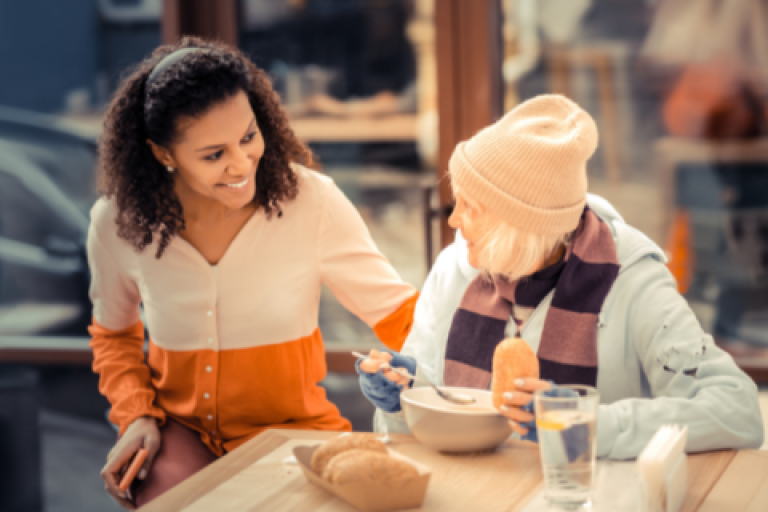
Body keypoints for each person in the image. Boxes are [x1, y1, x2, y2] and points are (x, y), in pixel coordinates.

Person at [88, 37, 418, 509]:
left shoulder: (312, 201)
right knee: (163, 494)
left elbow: (399, 312)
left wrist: (477, 355)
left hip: (293, 432)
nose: (241, 164)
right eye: (213, 154)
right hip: (179, 433)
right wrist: (135, 415)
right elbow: (113, 335)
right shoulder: (116, 222)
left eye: (248, 136)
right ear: (164, 154)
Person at [356, 94, 764, 460]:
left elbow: (737, 411)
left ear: (520, 224)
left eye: (471, 206)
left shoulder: (634, 282)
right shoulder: (454, 267)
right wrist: (401, 399)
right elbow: (422, 412)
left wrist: (584, 424)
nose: (454, 219)